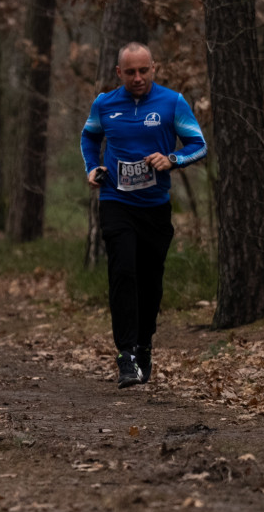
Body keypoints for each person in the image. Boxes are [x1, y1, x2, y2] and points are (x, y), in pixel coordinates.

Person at [80, 42, 207, 389]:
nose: (138, 78)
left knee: (150, 280)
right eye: (130, 72)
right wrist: (93, 168)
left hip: (154, 207)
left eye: (144, 70)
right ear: (119, 73)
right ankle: (125, 355)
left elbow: (199, 144)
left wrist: (173, 159)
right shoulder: (105, 104)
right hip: (116, 201)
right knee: (122, 271)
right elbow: (89, 138)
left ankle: (144, 344)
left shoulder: (173, 102)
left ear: (154, 68)